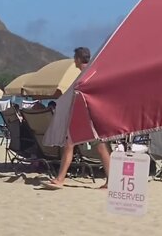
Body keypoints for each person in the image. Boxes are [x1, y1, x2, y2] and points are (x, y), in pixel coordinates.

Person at [43, 47, 111, 189]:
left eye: (75, 58)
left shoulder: (84, 75)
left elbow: (79, 96)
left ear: (78, 59)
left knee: (71, 145)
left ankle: (60, 179)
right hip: (93, 116)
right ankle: (110, 181)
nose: (74, 60)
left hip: (84, 117)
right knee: (100, 147)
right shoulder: (93, 72)